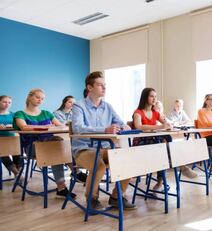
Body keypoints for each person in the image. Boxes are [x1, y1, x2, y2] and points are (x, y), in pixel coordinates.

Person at [71, 71, 136, 210]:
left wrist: (124, 126)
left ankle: (116, 197)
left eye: (105, 85)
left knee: (129, 160)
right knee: (98, 165)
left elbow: (120, 122)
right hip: (84, 149)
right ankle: (92, 199)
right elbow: (77, 128)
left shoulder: (108, 106)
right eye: (100, 85)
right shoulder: (78, 105)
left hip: (105, 148)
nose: (104, 88)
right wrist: (104, 129)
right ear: (89, 88)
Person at [14, 89, 76, 198]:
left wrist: (56, 126)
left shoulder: (46, 113)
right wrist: (45, 127)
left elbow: (61, 126)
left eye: (42, 98)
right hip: (32, 147)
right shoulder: (20, 114)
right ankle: (75, 172)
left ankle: (62, 187)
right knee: (57, 144)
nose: (40, 100)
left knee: (57, 145)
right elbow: (23, 127)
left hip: (51, 145)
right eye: (37, 97)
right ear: (29, 97)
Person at [132, 88, 197, 191]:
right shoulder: (138, 112)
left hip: (155, 143)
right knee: (162, 147)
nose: (154, 99)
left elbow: (166, 122)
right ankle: (181, 166)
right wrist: (160, 127)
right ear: (145, 97)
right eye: (151, 96)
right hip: (141, 143)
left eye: (155, 96)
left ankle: (160, 182)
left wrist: (168, 124)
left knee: (163, 146)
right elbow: (138, 127)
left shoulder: (155, 112)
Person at [0, 95, 21, 178]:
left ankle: (19, 172)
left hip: (12, 139)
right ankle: (16, 172)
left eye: (9, 102)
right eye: (4, 102)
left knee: (18, 152)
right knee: (3, 154)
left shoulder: (13, 114)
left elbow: (18, 125)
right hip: (1, 141)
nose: (7, 104)